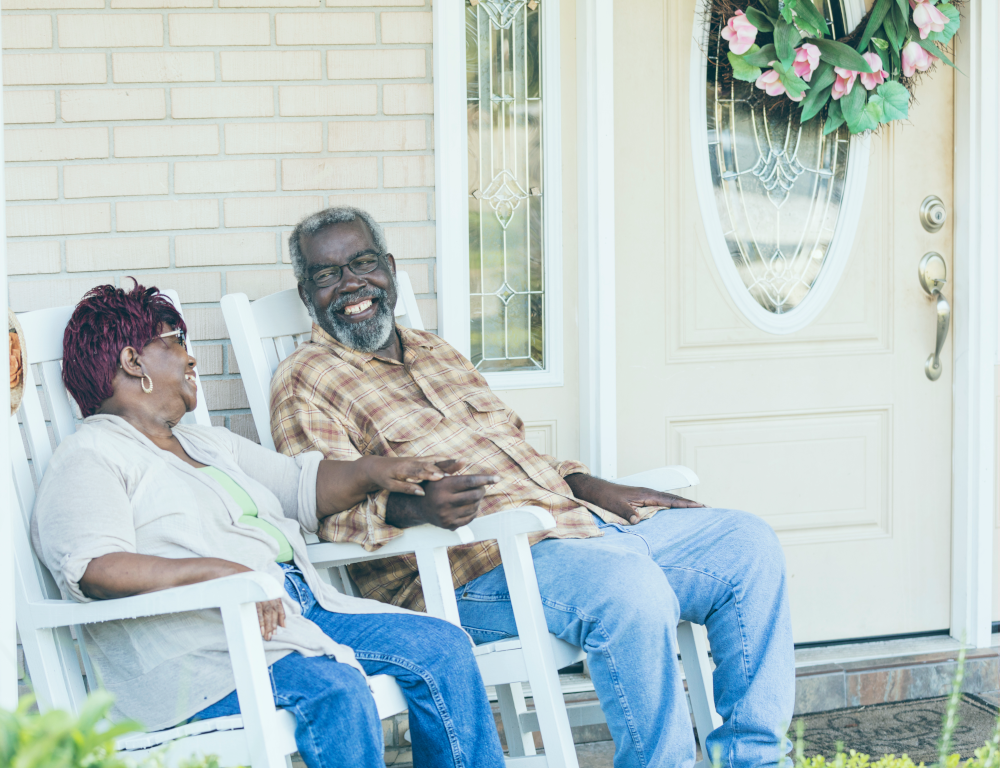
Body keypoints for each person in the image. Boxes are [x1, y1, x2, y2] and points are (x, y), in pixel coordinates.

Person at [271, 206, 796, 768]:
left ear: (391, 269)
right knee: (629, 588)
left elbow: (516, 449)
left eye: (364, 263)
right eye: (329, 276)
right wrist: (415, 509)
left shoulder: (436, 351)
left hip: (578, 527)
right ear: (308, 295)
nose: (353, 284)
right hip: (471, 570)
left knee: (747, 544)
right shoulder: (307, 379)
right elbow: (320, 509)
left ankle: (756, 760)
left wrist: (594, 485)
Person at [31, 282, 506, 768]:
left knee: (444, 648)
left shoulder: (210, 445)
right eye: (175, 341)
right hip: (205, 656)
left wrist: (376, 470)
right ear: (133, 362)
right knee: (335, 691)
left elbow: (304, 487)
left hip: (300, 612)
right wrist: (223, 573)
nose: (191, 359)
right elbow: (94, 568)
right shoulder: (91, 455)